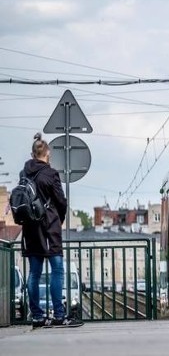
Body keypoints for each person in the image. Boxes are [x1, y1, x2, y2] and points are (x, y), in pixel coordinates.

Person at [22, 133, 83, 328]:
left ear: (32, 154)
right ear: (47, 154)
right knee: (57, 269)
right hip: (49, 228)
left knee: (34, 273)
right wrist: (59, 218)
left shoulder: (24, 173)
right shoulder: (51, 173)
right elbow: (61, 201)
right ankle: (58, 314)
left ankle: (38, 317)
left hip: (30, 228)